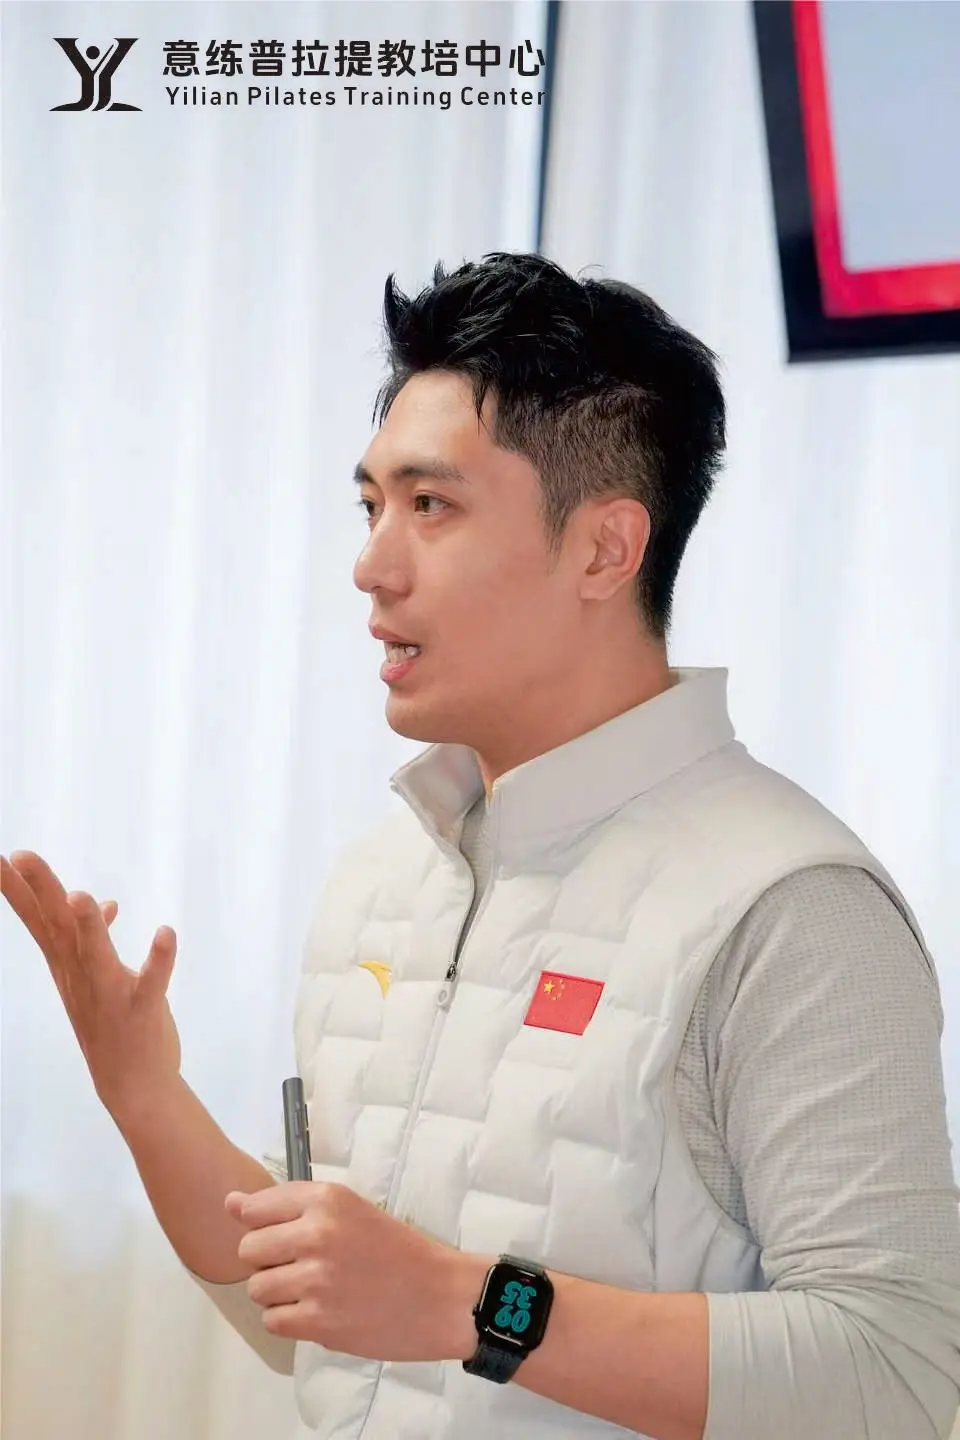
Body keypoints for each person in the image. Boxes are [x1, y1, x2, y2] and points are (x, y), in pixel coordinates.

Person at [3, 251, 960, 1440]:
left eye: (431, 506)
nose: (370, 564)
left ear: (605, 550)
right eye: (371, 506)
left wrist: (470, 1304)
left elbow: (901, 1373)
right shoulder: (382, 882)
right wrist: (142, 1092)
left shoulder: (791, 907)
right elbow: (333, 1335)